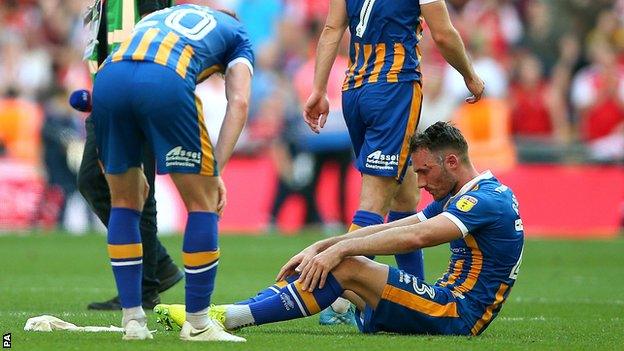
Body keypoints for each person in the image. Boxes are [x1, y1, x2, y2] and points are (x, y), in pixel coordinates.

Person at [154, 121, 524, 336]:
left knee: (346, 265)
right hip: (444, 300)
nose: (421, 183)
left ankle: (227, 317)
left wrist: (341, 251)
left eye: (425, 171)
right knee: (334, 263)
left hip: (459, 314)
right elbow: (412, 223)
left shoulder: (484, 200)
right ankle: (221, 313)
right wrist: (324, 244)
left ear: (453, 162)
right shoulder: (466, 194)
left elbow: (418, 237)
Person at [301, 0, 484, 323]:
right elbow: (442, 34)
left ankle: (416, 291)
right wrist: (470, 76)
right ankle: (338, 299)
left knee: (405, 194)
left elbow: (332, 29)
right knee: (374, 200)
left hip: (354, 90)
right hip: (394, 88)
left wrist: (318, 88)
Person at [91, 3, 253, 341]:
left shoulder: (159, 17)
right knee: (203, 203)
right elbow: (238, 102)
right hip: (164, 78)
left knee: (125, 200)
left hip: (109, 76)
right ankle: (197, 324)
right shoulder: (238, 36)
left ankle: (133, 321)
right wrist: (215, 170)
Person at [76, 0, 184, 311]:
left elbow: (158, 29)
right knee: (92, 180)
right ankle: (157, 265)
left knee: (137, 189)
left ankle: (143, 287)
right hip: (110, 91)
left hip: (138, 89)